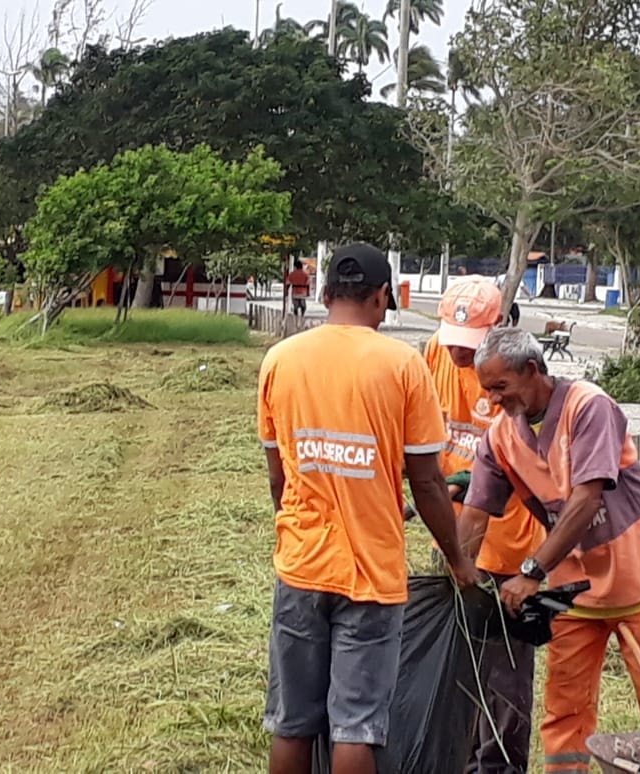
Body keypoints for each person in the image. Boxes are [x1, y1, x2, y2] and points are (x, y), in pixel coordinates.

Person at [258, 242, 480, 774]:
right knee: (356, 726)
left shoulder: (280, 360)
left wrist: (299, 527)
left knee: (292, 723)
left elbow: (278, 475)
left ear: (325, 293)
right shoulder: (403, 365)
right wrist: (457, 559)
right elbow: (427, 483)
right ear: (383, 297)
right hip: (372, 576)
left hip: (301, 567)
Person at [458, 327, 640, 774]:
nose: (492, 400)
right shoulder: (501, 438)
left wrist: (531, 570)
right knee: (565, 711)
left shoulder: (589, 407)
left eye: (500, 387)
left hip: (638, 582)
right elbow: (475, 512)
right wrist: (459, 572)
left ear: (532, 370)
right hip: (575, 592)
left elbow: (586, 499)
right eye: (486, 390)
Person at [423, 277, 545, 774]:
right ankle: (458, 757)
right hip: (456, 539)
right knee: (458, 662)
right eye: (452, 339)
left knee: (505, 674)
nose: (457, 353)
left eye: (467, 344)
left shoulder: (516, 380)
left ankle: (498, 766)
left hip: (510, 547)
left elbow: (521, 465)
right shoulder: (436, 355)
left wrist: (457, 481)